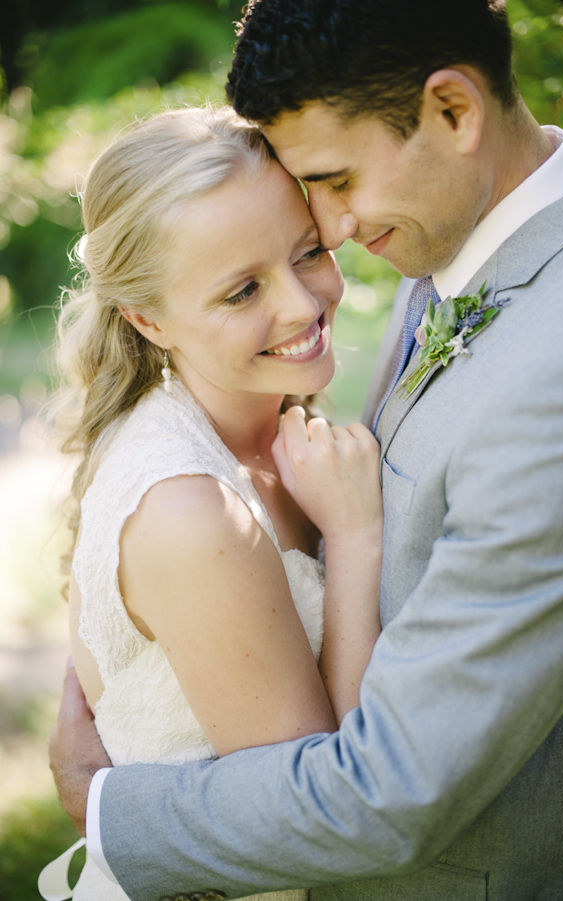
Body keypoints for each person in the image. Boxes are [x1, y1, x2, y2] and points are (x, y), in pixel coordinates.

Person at [49, 1, 563, 899]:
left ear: (454, 111)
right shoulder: (453, 251)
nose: (335, 234)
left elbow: (380, 792)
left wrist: (104, 805)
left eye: (335, 185)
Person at [41, 104, 383, 901]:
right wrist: (356, 539)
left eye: (309, 253)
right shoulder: (191, 510)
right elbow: (320, 816)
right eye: (242, 291)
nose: (302, 306)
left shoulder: (273, 427)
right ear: (147, 317)